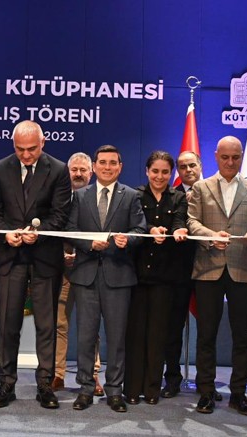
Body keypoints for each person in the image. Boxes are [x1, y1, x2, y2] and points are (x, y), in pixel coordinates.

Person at [0, 120, 71, 409]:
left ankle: (45, 384)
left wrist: (39, 232)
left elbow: (60, 215)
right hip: (11, 257)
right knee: (9, 324)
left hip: (45, 257)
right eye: (20, 149)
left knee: (46, 325)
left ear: (42, 143)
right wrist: (6, 234)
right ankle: (6, 383)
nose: (26, 154)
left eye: (32, 149)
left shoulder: (58, 169)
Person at [186, 136, 247, 415]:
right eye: (225, 157)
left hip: (242, 268)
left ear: (241, 156)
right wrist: (211, 236)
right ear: (215, 156)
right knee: (206, 335)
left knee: (243, 336)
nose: (230, 162)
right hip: (208, 268)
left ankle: (239, 394)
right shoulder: (201, 187)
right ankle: (206, 392)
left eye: (235, 157)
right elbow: (191, 221)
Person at [66, 145, 147, 412]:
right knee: (85, 337)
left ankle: (114, 391)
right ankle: (85, 389)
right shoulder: (80, 196)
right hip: (86, 275)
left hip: (119, 276)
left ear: (120, 167)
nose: (107, 167)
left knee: (116, 338)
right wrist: (89, 243)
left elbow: (140, 230)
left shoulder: (131, 196)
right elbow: (70, 230)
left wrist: (128, 240)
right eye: (102, 162)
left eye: (113, 163)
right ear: (95, 166)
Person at [123, 151, 187, 406]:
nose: (159, 176)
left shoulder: (178, 197)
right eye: (155, 171)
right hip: (137, 275)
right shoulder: (135, 195)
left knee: (158, 334)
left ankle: (152, 389)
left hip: (165, 276)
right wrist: (150, 230)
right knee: (135, 334)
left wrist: (178, 230)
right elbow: (135, 224)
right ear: (147, 171)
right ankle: (132, 388)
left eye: (165, 172)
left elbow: (180, 221)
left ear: (171, 174)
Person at [54, 152, 102, 394]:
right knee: (59, 324)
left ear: (91, 173)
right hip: (61, 270)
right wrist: (61, 255)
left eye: (83, 170)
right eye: (74, 170)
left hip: (88, 269)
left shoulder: (97, 199)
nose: (79, 174)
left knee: (90, 326)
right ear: (67, 171)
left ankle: (93, 375)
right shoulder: (58, 197)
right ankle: (57, 374)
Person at [162, 150, 201, 396]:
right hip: (177, 271)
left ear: (200, 166)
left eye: (192, 165)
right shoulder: (171, 195)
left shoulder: (212, 193)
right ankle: (172, 379)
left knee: (207, 329)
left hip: (209, 269)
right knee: (173, 329)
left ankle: (206, 383)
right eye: (183, 166)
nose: (188, 170)